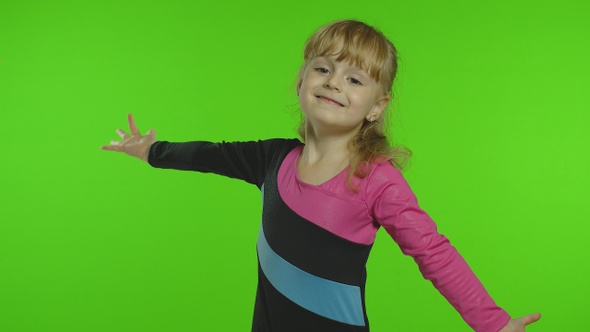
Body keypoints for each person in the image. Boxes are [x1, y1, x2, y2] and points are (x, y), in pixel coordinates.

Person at [101, 20, 540, 332]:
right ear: (301, 81)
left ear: (376, 107)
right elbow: (208, 155)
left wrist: (493, 323)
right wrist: (150, 150)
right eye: (323, 68)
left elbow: (434, 253)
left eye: (354, 78)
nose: (334, 83)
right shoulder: (272, 159)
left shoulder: (376, 180)